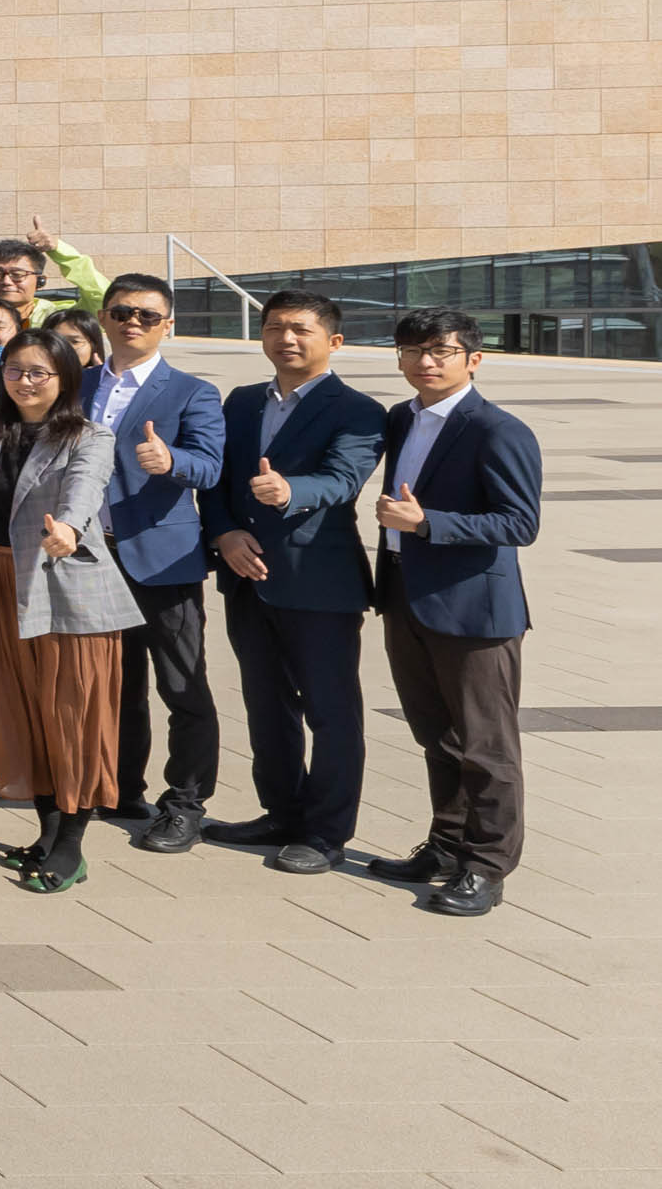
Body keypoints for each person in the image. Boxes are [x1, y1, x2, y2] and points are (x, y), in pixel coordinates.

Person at [363, 308, 545, 920]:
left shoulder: (498, 430)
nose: (426, 362)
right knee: (435, 735)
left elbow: (519, 523)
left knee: (486, 745)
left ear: (474, 359)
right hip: (405, 596)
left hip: (473, 609)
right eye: (413, 350)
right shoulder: (402, 418)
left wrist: (427, 523)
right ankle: (445, 845)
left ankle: (487, 866)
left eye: (441, 351)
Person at [198, 291, 386, 876]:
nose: (286, 339)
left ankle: (326, 833)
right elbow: (216, 480)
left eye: (301, 329)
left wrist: (290, 492)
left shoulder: (359, 410)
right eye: (275, 327)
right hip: (246, 576)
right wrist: (224, 533)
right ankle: (281, 813)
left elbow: (343, 478)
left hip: (319, 583)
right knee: (266, 704)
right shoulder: (242, 401)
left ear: (334, 341)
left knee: (331, 712)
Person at [0, 330, 135, 891]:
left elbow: (85, 489)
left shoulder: (90, 435)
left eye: (38, 373)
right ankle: (48, 832)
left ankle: (72, 845)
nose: (24, 382)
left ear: (64, 378)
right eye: (14, 370)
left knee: (73, 716)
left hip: (65, 588)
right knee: (24, 713)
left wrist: (69, 529)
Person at [87, 274, 228, 854]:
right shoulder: (78, 383)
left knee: (182, 687)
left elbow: (211, 467)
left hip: (161, 560)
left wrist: (172, 461)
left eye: (147, 315)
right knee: (116, 686)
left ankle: (185, 805)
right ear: (104, 317)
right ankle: (121, 789)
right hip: (91, 558)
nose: (133, 323)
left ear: (167, 325)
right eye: (122, 312)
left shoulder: (192, 391)